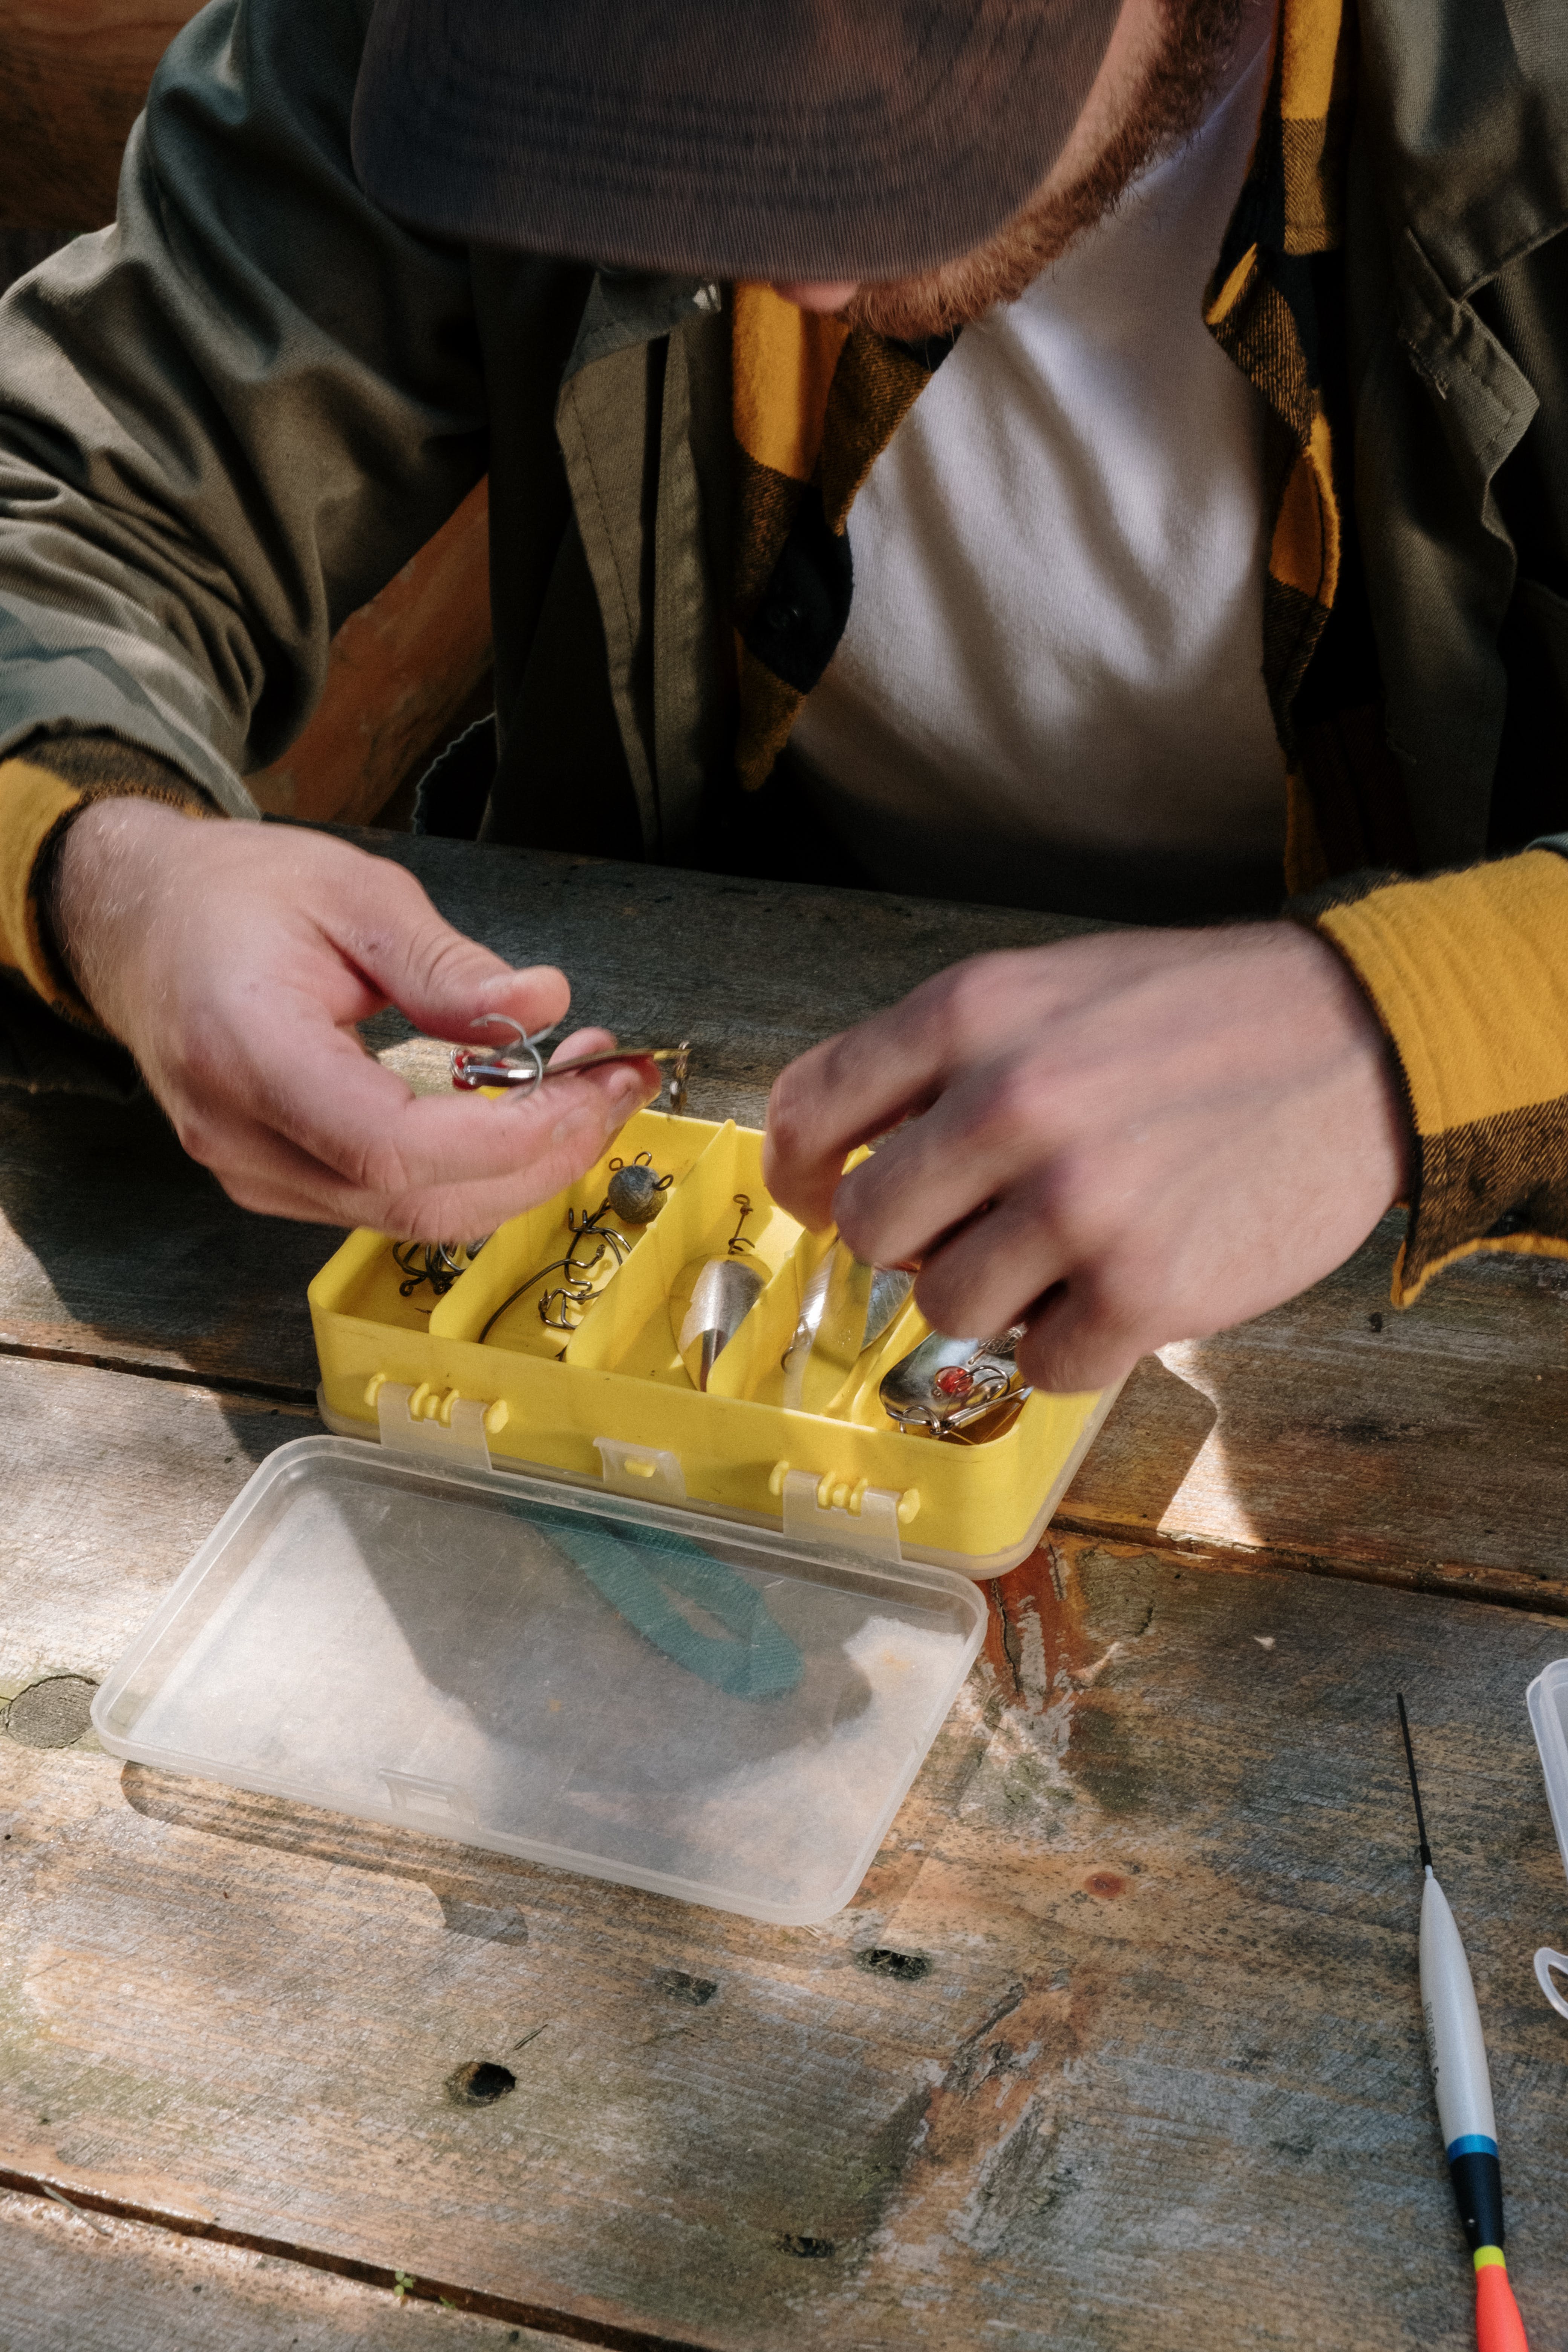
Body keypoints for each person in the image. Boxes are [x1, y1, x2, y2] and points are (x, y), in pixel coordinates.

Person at [0, 0, 1563, 1397]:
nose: (786, 270)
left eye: (890, 111)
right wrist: (109, 878)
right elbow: (73, 491)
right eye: (641, 114)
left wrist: (1407, 1027)